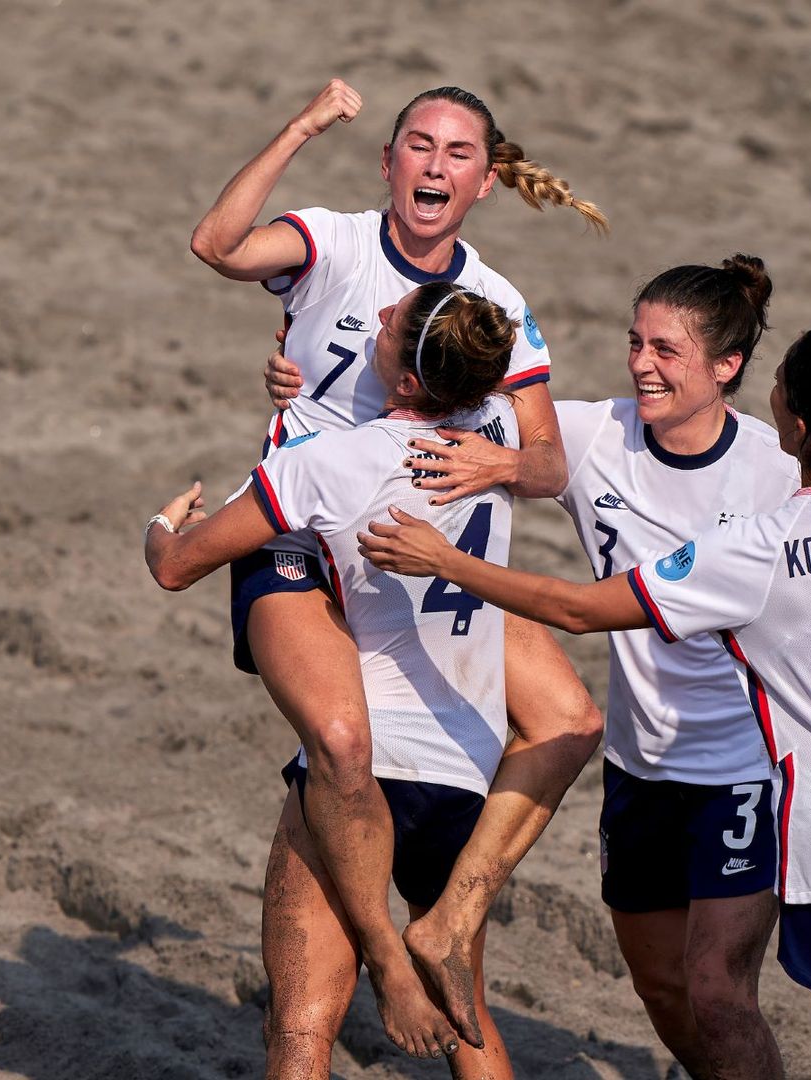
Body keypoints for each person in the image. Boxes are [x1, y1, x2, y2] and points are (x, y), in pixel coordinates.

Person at [358, 323, 811, 1080]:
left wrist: (446, 562)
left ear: (800, 427)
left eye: (778, 383)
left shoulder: (762, 547)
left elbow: (579, 608)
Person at [191, 77, 604, 1048]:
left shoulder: (499, 302)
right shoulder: (332, 243)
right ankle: (398, 946)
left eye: (458, 153)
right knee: (342, 743)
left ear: (485, 182)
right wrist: (299, 125)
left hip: (408, 558)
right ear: (388, 163)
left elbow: (545, 463)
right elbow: (216, 247)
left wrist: (496, 459)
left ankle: (448, 915)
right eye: (417, 144)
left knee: (568, 714)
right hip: (303, 536)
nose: (434, 164)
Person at [147, 283, 524, 1076]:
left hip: (367, 771)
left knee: (301, 1026)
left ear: (411, 382)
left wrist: (161, 528)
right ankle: (405, 963)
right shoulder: (499, 432)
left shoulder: (337, 461)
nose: (380, 316)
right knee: (472, 1023)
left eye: (394, 323)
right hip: (467, 763)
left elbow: (181, 567)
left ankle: (388, 967)